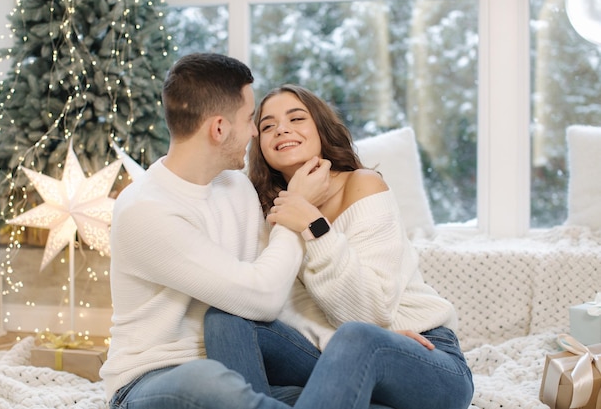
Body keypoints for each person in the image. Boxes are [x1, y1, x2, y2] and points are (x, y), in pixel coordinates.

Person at [100, 53, 453, 409]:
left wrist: (360, 346)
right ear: (220, 129)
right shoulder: (147, 210)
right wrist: (296, 212)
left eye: (296, 118)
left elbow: (283, 298)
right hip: (161, 377)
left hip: (399, 348)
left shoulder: (237, 190)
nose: (259, 131)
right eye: (257, 121)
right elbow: (265, 296)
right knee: (214, 361)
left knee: (244, 335)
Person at [204, 84, 475, 409]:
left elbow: (370, 315)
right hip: (332, 352)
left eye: (296, 118)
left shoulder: (362, 185)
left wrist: (314, 226)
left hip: (423, 353)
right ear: (259, 144)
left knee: (358, 337)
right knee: (226, 317)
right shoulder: (268, 210)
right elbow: (277, 305)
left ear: (320, 128)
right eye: (267, 125)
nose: (282, 129)